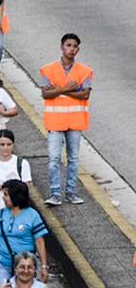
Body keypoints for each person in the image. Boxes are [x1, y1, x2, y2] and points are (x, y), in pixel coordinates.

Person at [40, 33, 92, 206]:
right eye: (69, 45)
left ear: (78, 49)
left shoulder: (84, 71)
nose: (72, 49)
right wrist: (68, 88)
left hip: (74, 121)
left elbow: (85, 93)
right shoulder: (48, 69)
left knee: (73, 159)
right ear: (62, 47)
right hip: (55, 121)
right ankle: (55, 193)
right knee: (54, 158)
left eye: (75, 46)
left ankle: (70, 192)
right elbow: (45, 93)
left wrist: (60, 90)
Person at [0, 179, 49, 286]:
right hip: (1, 263)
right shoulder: (0, 214)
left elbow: (39, 241)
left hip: (25, 267)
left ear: (15, 196)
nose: (3, 198)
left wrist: (44, 266)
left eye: (6, 195)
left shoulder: (32, 216)